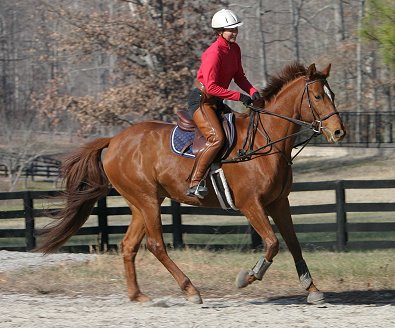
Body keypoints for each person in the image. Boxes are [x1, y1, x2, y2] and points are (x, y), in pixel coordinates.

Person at [186, 8, 262, 199]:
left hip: (217, 101)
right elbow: (210, 87)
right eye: (231, 30)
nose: (235, 32)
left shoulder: (235, 49)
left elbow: (239, 76)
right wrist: (239, 97)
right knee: (217, 138)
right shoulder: (214, 53)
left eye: (236, 29)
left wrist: (253, 92)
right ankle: (195, 182)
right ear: (220, 31)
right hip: (202, 101)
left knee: (241, 128)